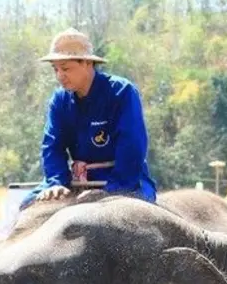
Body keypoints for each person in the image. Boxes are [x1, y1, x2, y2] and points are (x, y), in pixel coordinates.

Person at [21, 27, 157, 208]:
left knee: (125, 216)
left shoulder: (122, 92)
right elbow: (52, 146)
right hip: (76, 181)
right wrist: (57, 183)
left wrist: (112, 190)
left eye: (66, 68)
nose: (60, 76)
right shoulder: (59, 100)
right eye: (55, 70)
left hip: (124, 180)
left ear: (87, 63)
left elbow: (132, 146)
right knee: (27, 205)